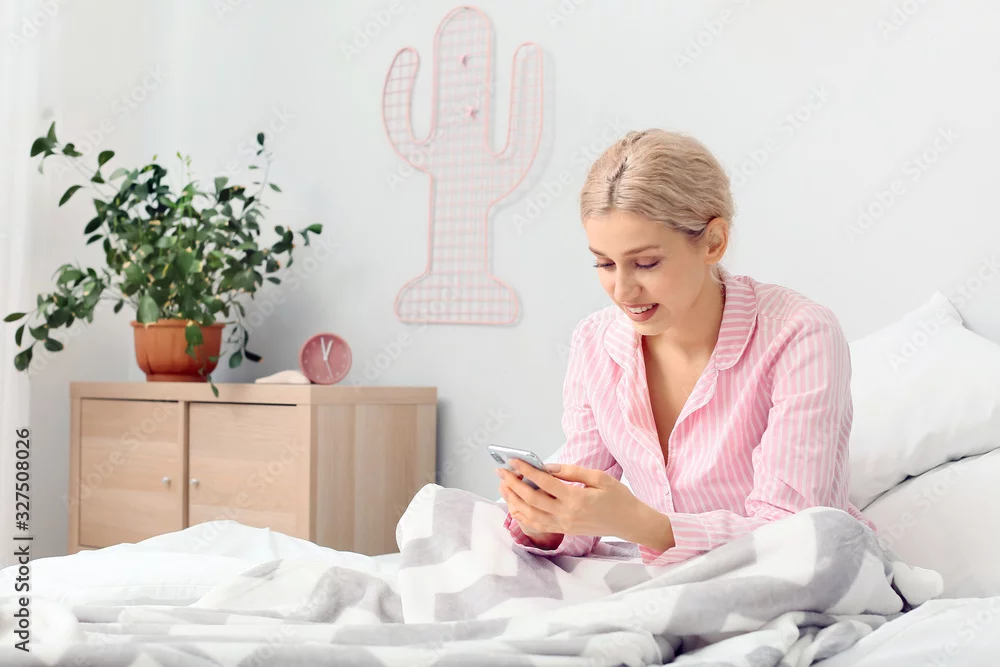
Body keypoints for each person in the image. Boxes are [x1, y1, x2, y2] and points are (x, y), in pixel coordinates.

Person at [496, 129, 875, 566]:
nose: (622, 290)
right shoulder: (595, 343)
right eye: (604, 263)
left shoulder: (800, 334)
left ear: (714, 242)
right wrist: (545, 519)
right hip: (668, 583)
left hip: (799, 575)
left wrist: (644, 525)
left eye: (646, 263)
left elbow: (792, 532)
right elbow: (583, 511)